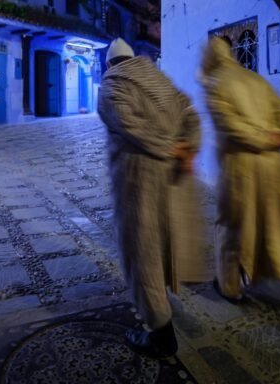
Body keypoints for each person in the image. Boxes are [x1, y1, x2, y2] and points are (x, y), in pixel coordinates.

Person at [97, 38, 207, 358]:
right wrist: (187, 147)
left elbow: (130, 125)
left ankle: (161, 335)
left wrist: (169, 148)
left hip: (137, 182)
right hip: (170, 180)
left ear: (109, 64)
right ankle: (163, 303)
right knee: (163, 243)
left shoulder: (111, 86)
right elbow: (191, 115)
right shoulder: (160, 79)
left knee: (141, 252)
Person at [200, 37, 280, 303]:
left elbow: (230, 125)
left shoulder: (215, 84)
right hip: (272, 165)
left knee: (233, 223)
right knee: (266, 221)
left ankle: (230, 286)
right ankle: (268, 273)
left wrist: (261, 138)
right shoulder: (256, 80)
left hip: (241, 166)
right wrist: (278, 135)